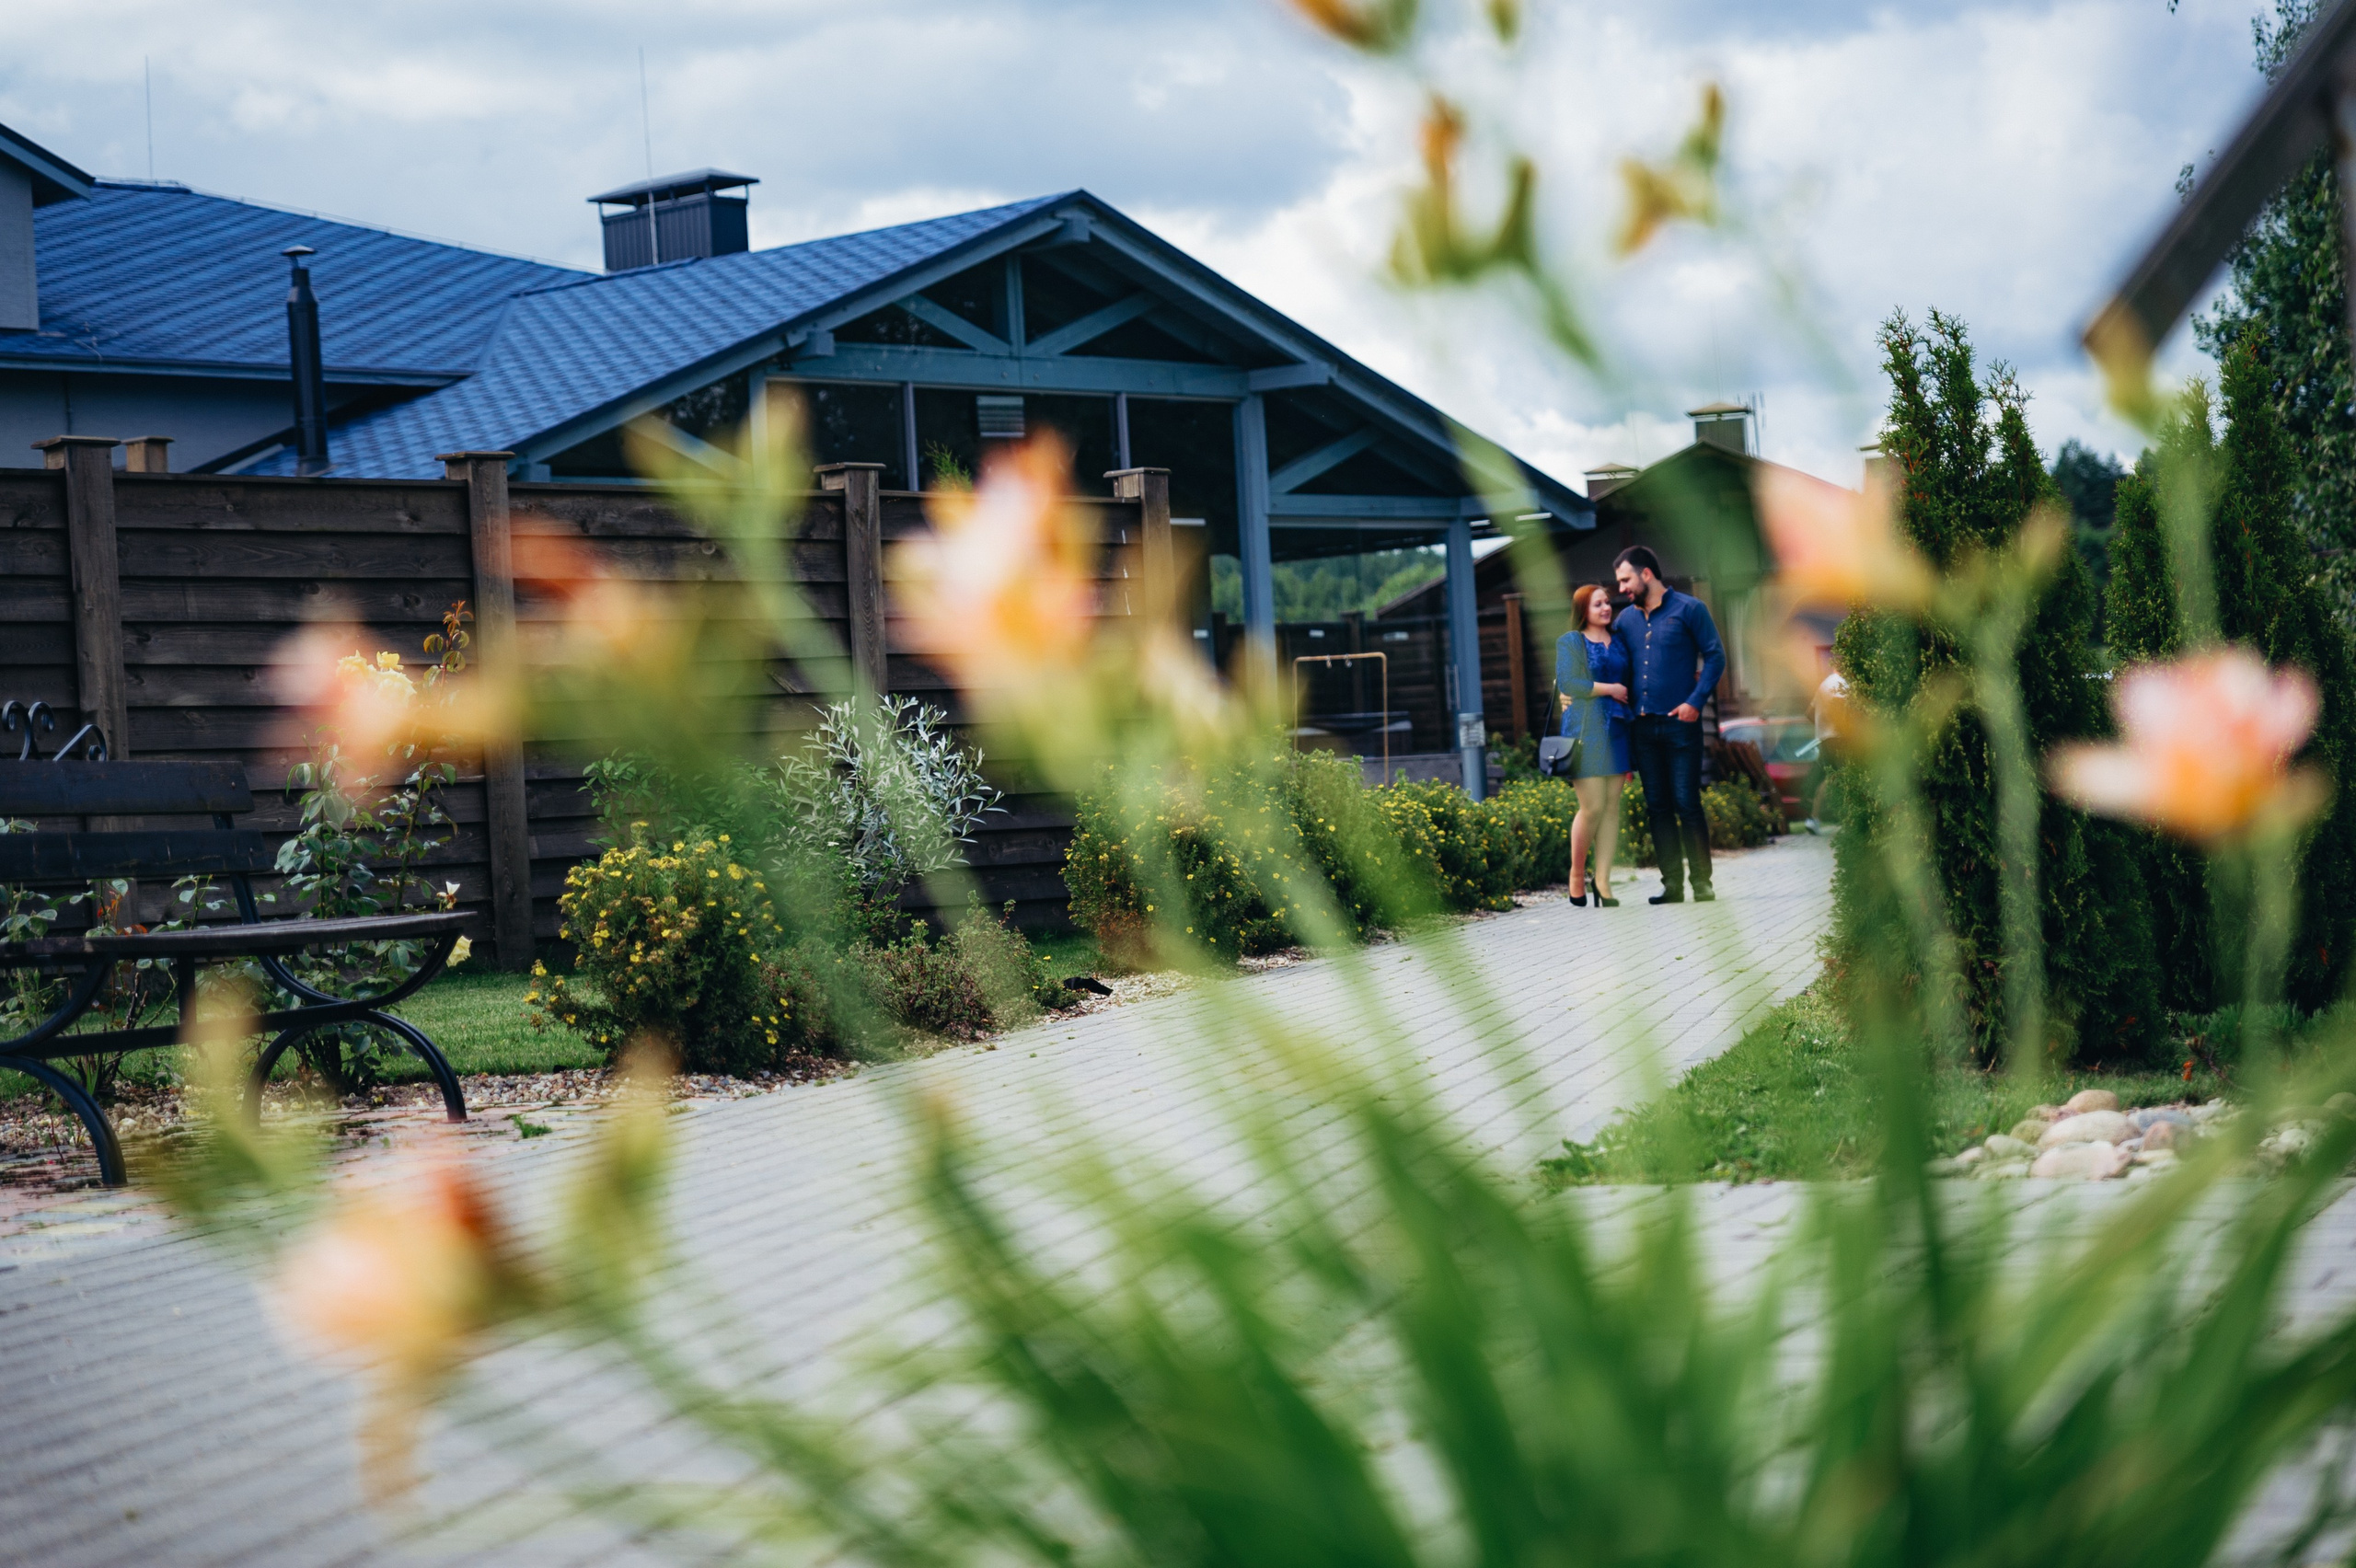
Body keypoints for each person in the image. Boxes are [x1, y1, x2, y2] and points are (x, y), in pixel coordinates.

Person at [1611, 545, 1726, 904]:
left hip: (1681, 725)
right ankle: (1672, 884)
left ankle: (1702, 883)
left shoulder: (1690, 609)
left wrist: (1695, 702)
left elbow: (1715, 656)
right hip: (1642, 729)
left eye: (1625, 579)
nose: (1621, 589)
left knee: (1686, 802)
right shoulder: (1624, 621)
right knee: (1657, 806)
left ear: (1647, 573)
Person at [1554, 582, 1632, 906]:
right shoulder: (1571, 641)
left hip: (1618, 729)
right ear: (1583, 610)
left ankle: (1603, 881)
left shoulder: (1621, 641)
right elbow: (1570, 682)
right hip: (1585, 731)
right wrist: (1611, 689)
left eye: (1607, 602)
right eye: (1597, 604)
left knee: (1612, 808)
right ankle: (1576, 875)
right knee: (1593, 807)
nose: (1605, 607)